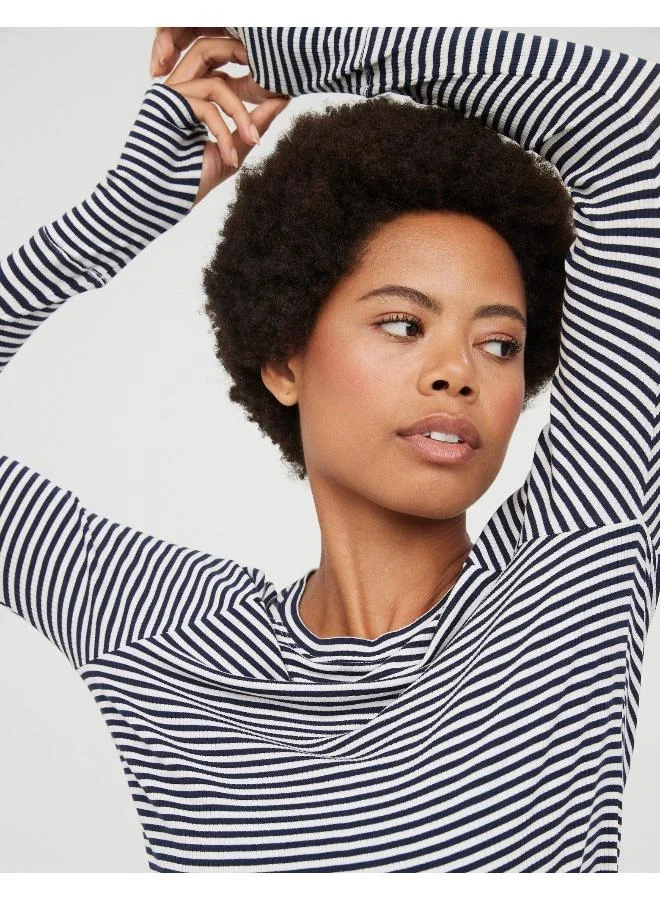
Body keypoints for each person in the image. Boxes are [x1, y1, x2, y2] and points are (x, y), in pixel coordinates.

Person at [0, 26, 657, 873]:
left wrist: (277, 49)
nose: (458, 372)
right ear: (285, 361)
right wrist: (114, 219)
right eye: (403, 324)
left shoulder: (571, 578)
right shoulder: (173, 634)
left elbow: (637, 132)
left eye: (499, 344)